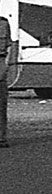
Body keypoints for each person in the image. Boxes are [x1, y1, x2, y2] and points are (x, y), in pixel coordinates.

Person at [0, 12, 11, 148]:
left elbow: (8, 44)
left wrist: (5, 64)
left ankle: (1, 137)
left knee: (1, 103)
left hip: (0, 63)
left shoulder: (3, 23)